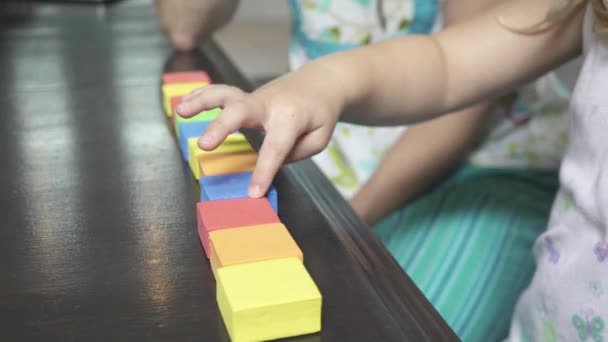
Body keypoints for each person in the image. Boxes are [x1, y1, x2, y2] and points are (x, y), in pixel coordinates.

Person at [160, 1, 572, 340]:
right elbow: (182, 27)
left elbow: (458, 77)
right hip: (335, 167)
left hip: (491, 167)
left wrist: (347, 223)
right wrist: (319, 83)